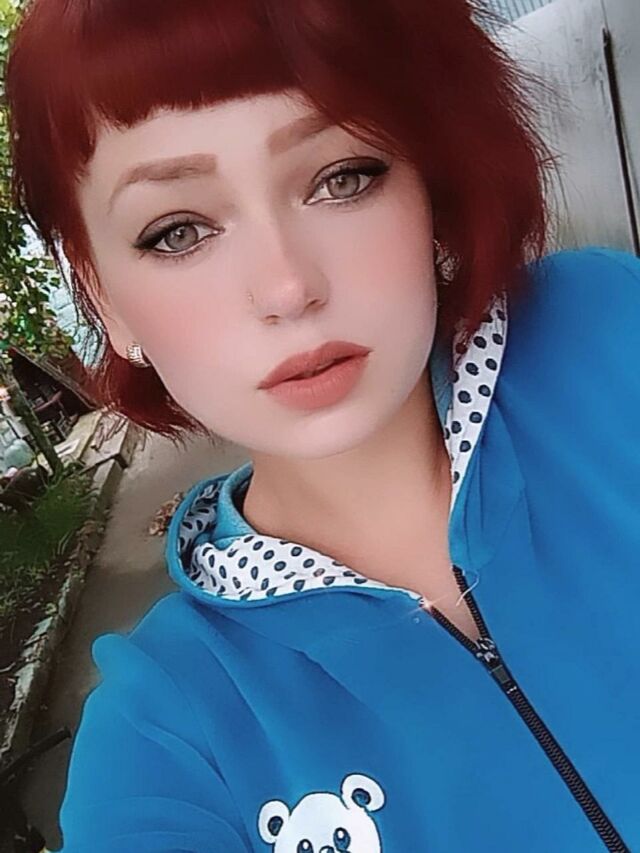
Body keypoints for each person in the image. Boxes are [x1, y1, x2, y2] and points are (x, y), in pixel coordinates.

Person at [5, 1, 639, 851]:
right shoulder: (167, 744)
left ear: (430, 186)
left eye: (343, 176)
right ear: (104, 295)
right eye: (178, 231)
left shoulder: (611, 335)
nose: (287, 287)